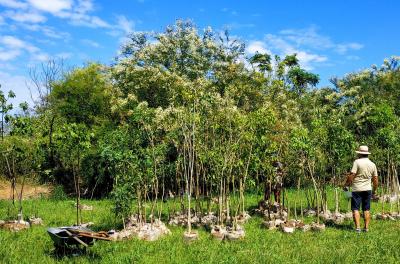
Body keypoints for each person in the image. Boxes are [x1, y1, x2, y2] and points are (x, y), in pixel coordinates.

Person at [344, 145, 378, 233]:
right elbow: (375, 179)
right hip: (368, 189)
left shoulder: (357, 162)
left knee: (355, 208)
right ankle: (366, 228)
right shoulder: (372, 164)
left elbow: (352, 175)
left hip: (357, 189)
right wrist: (374, 190)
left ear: (359, 153)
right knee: (366, 209)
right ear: (367, 154)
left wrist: (346, 185)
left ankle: (358, 228)